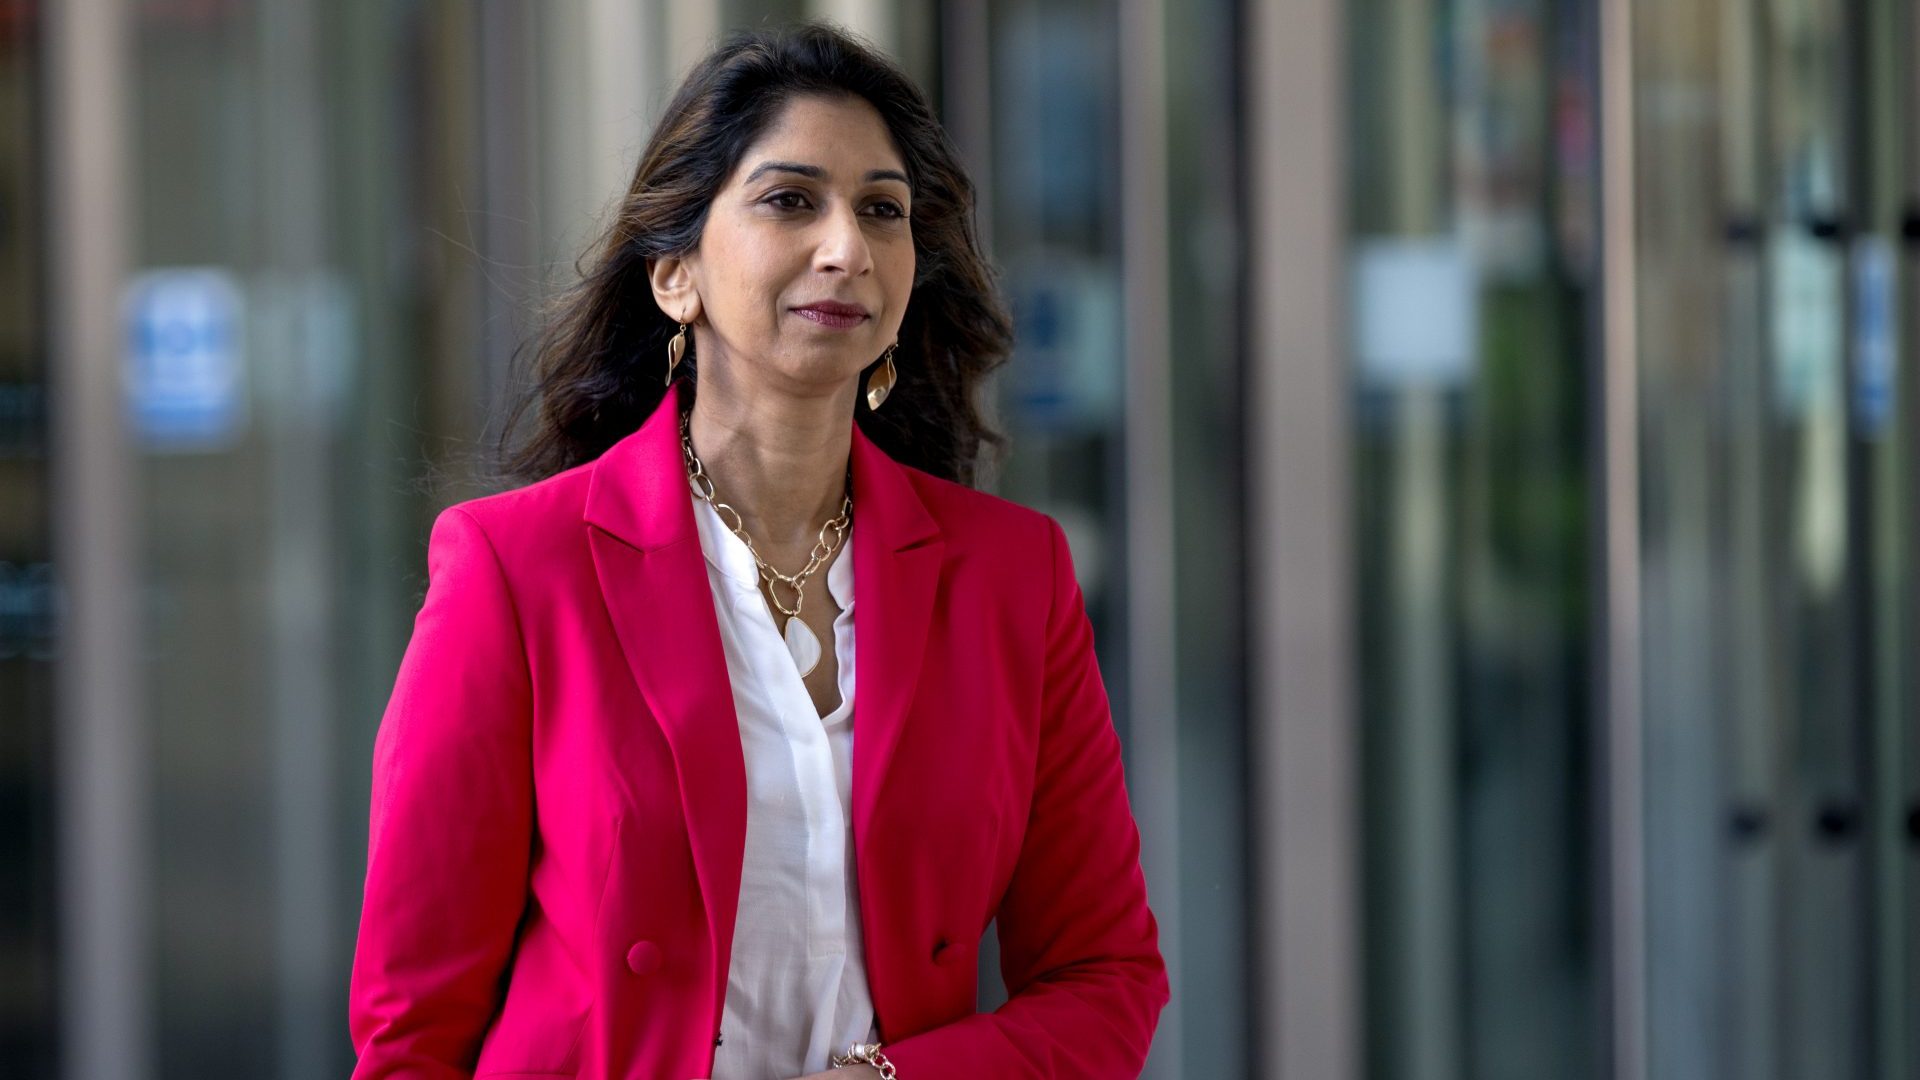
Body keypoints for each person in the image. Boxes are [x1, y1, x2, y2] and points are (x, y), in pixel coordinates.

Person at [347, 21, 1167, 1080]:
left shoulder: (1013, 577)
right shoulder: (516, 569)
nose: (846, 248)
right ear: (674, 273)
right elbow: (413, 1031)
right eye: (790, 201)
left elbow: (1107, 977)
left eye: (882, 210)